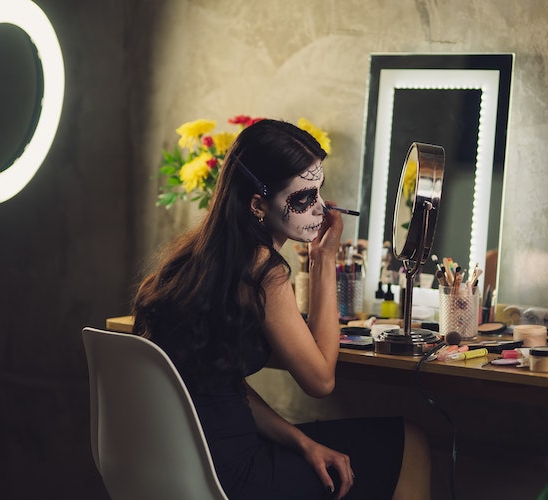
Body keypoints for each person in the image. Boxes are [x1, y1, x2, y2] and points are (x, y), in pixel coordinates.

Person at [132, 119, 431, 499]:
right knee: (411, 442)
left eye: (319, 192)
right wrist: (324, 259)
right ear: (258, 204)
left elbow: (222, 388)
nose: (320, 208)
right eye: (303, 199)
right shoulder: (263, 271)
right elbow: (321, 381)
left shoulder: (191, 260)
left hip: (184, 465)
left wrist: (302, 441)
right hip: (235, 477)